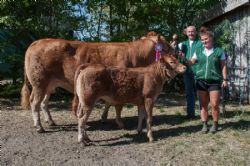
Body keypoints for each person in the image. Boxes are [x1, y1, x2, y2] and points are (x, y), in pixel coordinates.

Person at [183, 27, 228, 133]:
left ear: (211, 38)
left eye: (206, 39)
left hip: (214, 81)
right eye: (202, 40)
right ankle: (204, 125)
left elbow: (223, 66)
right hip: (200, 80)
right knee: (203, 105)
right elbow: (191, 62)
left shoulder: (219, 51)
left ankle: (215, 124)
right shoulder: (198, 51)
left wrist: (225, 79)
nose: (204, 41)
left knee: (214, 104)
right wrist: (184, 60)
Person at [178, 25, 203, 119]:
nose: (191, 33)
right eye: (189, 32)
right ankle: (190, 114)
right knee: (189, 93)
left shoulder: (200, 43)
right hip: (187, 72)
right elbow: (174, 50)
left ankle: (202, 114)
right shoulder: (182, 44)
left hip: (198, 71)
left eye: (193, 31)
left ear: (196, 32)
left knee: (200, 93)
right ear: (186, 33)